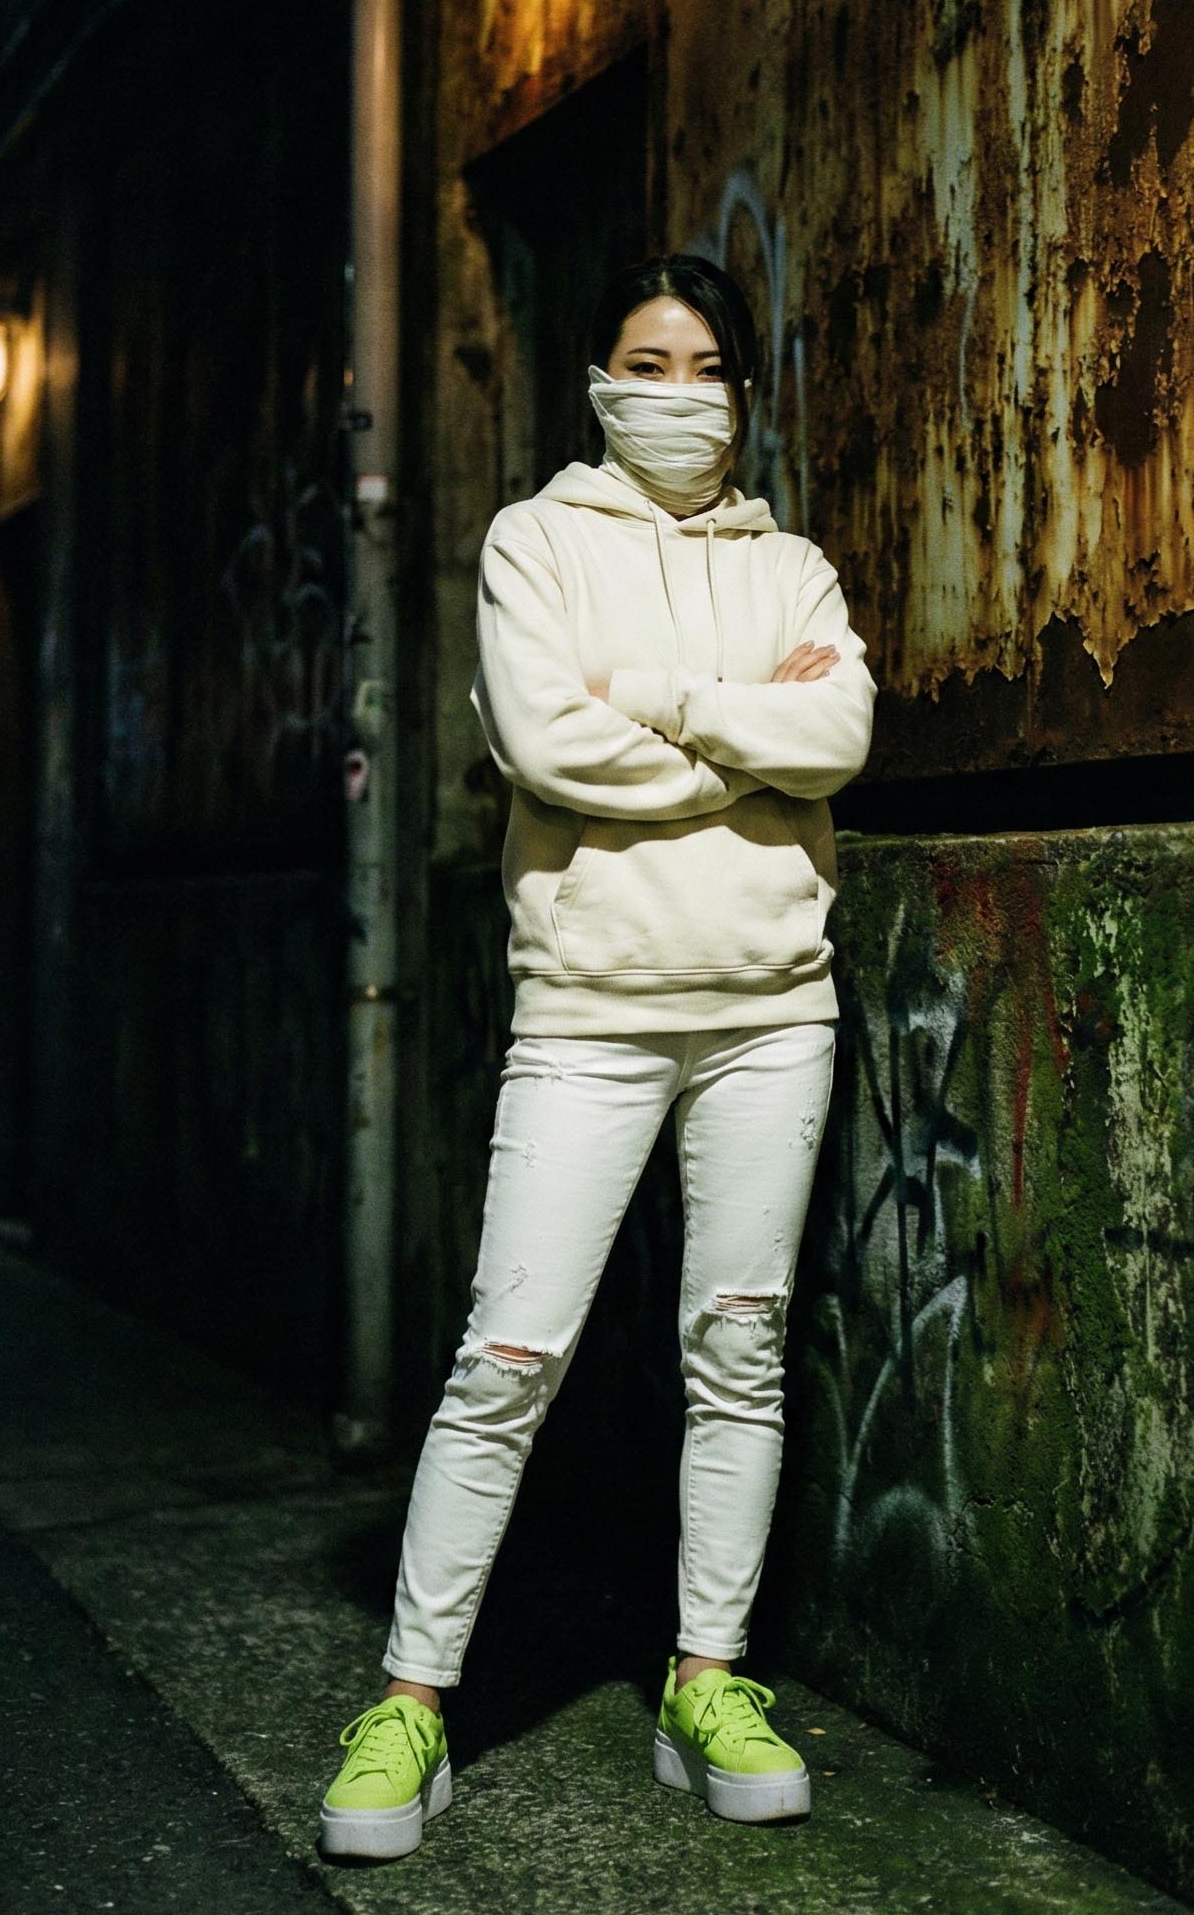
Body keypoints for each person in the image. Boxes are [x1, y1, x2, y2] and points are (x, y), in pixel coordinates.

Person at [318, 253, 876, 1860]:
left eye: (707, 368)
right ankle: (411, 1704)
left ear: (742, 393)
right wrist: (740, 741)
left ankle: (709, 1678)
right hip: (590, 1007)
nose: (677, 394)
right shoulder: (535, 542)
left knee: (741, 1350)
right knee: (507, 1359)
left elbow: (837, 738)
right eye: (648, 363)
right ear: (596, 381)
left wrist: (653, 700)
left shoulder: (795, 569)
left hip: (772, 1006)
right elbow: (542, 740)